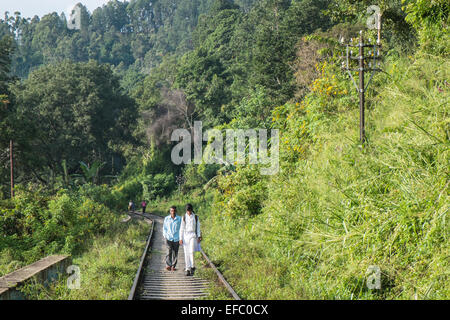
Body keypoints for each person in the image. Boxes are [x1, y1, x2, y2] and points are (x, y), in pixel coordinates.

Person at [179, 203, 202, 276]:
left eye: (190, 210)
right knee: (186, 253)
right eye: (187, 210)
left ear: (192, 210)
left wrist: (198, 236)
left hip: (192, 235)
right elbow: (181, 228)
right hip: (185, 236)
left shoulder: (195, 217)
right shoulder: (184, 217)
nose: (189, 212)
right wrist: (180, 238)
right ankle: (187, 269)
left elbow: (198, 227)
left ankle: (192, 266)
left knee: (191, 251)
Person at [163, 206, 182, 271]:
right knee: (168, 251)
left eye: (174, 211)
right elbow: (164, 228)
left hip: (177, 238)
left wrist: (181, 238)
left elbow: (181, 229)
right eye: (171, 211)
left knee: (175, 253)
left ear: (176, 211)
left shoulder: (179, 219)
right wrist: (165, 235)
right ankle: (168, 265)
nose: (173, 212)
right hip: (168, 237)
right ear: (170, 211)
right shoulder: (166, 218)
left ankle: (173, 266)